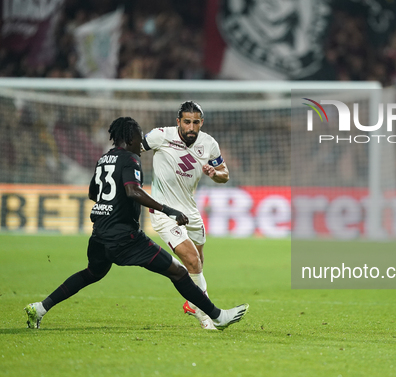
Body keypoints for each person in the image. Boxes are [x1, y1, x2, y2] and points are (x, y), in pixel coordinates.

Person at [24, 117, 248, 330]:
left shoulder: (104, 159)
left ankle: (40, 308)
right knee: (179, 272)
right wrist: (167, 209)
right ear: (130, 137)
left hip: (100, 233)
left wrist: (111, 204)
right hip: (126, 237)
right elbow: (133, 190)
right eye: (139, 137)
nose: (141, 143)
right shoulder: (130, 159)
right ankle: (218, 316)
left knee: (91, 273)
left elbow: (93, 192)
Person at [142, 101, 228, 330]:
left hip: (190, 211)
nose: (191, 127)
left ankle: (192, 303)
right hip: (163, 212)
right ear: (178, 121)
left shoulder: (209, 144)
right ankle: (206, 313)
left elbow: (225, 174)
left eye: (196, 122)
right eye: (187, 122)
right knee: (191, 260)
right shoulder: (160, 136)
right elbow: (132, 149)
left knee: (198, 261)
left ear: (201, 123)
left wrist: (214, 173)